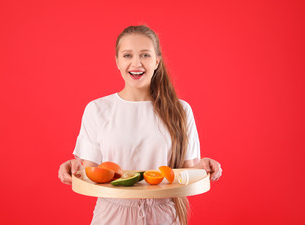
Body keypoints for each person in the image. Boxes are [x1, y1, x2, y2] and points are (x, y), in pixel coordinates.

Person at [58, 25, 222, 225]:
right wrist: (74, 167)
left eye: (145, 55)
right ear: (117, 61)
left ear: (157, 61)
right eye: (127, 55)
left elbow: (188, 169)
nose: (136, 63)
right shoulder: (97, 109)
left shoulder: (181, 110)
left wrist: (203, 166)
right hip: (111, 216)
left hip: (164, 217)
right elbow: (91, 171)